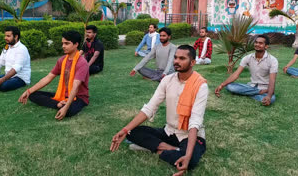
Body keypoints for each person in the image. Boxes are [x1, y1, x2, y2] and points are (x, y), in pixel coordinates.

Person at [111, 45, 208, 176]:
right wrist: (124, 130)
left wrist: (188, 155)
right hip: (169, 132)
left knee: (189, 161)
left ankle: (156, 148)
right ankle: (172, 150)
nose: (176, 61)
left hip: (189, 135)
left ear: (192, 62)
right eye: (175, 58)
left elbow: (195, 122)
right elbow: (150, 108)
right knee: (130, 132)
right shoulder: (167, 80)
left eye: (182, 58)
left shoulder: (200, 85)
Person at [18, 31, 89, 120]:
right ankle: (59, 104)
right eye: (62, 43)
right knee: (33, 94)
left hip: (79, 97)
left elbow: (75, 87)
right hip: (62, 94)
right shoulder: (62, 60)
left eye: (67, 43)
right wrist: (28, 91)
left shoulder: (82, 63)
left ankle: (62, 105)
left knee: (68, 111)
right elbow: (48, 78)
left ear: (76, 44)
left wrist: (66, 107)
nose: (63, 46)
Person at [215, 35, 278, 106]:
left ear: (266, 46)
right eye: (256, 42)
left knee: (271, 99)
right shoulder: (247, 58)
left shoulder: (272, 60)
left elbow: (272, 80)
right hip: (251, 86)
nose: (257, 44)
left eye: (260, 43)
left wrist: (269, 96)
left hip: (265, 87)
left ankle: (249, 93)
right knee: (229, 86)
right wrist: (222, 85)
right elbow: (236, 74)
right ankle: (258, 93)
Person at [0, 26, 31, 91]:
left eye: (8, 36)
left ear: (16, 37)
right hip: (8, 76)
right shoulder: (7, 47)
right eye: (5, 36)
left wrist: (2, 80)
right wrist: (2, 79)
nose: (5, 38)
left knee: (4, 86)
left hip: (20, 78)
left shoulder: (22, 49)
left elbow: (16, 69)